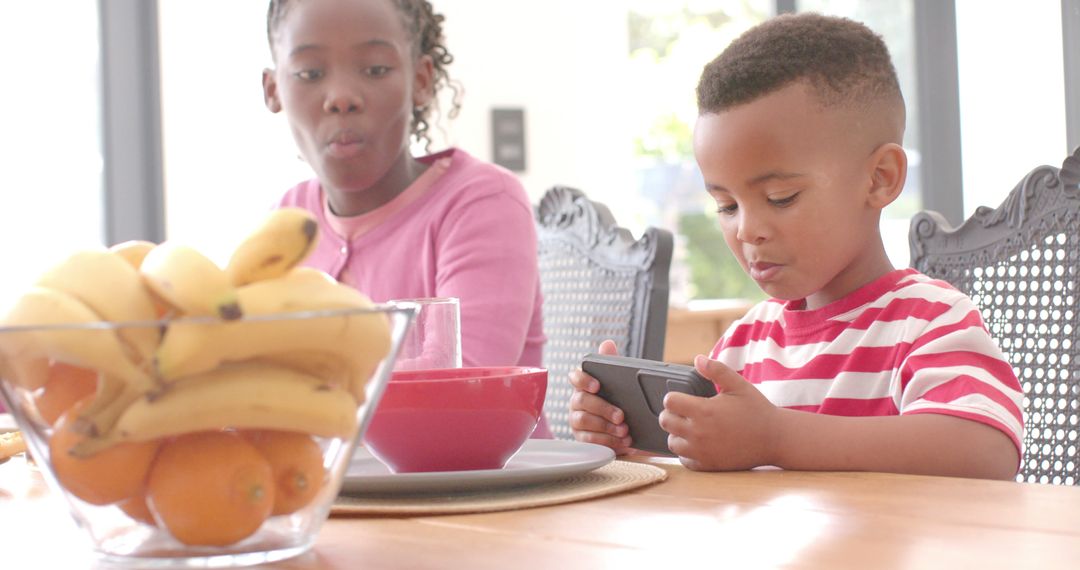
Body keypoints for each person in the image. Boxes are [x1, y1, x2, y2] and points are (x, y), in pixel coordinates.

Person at [569, 13, 1024, 479]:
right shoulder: (742, 348)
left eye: (779, 198)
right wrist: (629, 442)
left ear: (880, 178)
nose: (747, 231)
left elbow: (985, 450)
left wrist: (777, 438)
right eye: (726, 206)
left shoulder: (929, 322)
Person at [261, 1, 547, 397]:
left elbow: (461, 387)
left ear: (422, 80)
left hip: (465, 460)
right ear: (273, 90)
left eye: (375, 69)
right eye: (310, 73)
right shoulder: (288, 221)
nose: (342, 97)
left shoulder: (481, 204)